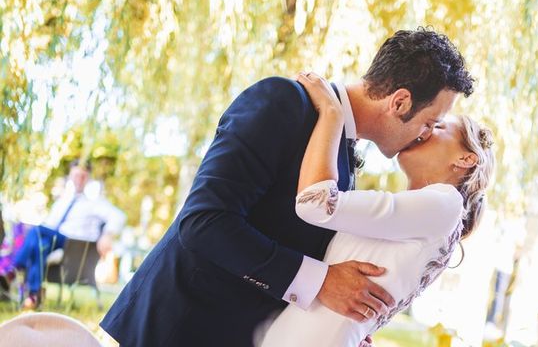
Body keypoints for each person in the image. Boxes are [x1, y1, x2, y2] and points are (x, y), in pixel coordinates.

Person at [101, 28, 475, 346]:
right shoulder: (283, 103)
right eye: (430, 122)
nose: (425, 135)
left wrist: (338, 326)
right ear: (400, 101)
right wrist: (321, 281)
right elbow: (203, 222)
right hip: (179, 328)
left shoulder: (339, 157)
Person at [259, 73, 495, 346]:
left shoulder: (446, 204)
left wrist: (332, 114)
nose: (424, 132)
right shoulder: (428, 216)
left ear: (466, 159)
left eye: (437, 126)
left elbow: (316, 203)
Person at [0, 160, 126, 309]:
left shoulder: (95, 203)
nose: (79, 179)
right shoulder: (62, 202)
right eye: (76, 175)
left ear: (89, 178)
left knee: (36, 231)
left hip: (74, 244)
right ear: (70, 177)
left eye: (83, 176)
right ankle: (34, 296)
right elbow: (49, 226)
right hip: (54, 241)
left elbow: (119, 216)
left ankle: (14, 269)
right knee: (38, 245)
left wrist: (108, 234)